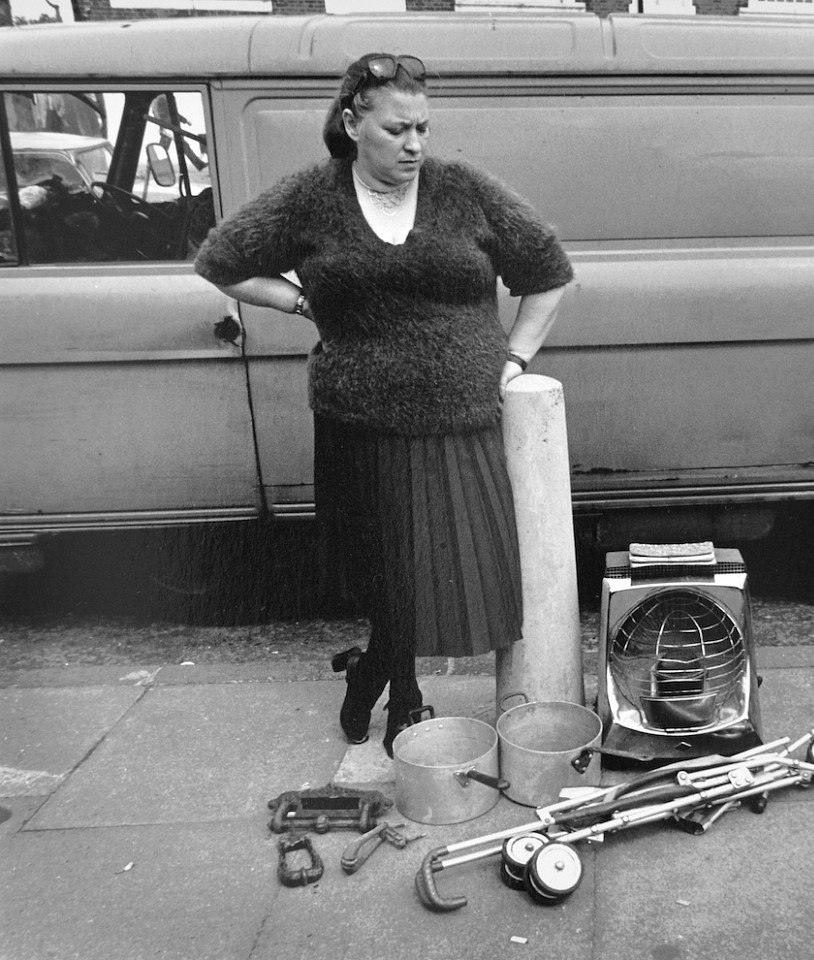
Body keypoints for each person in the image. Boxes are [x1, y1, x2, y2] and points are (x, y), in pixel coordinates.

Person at [193, 53, 574, 756]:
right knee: (387, 569)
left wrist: (514, 358)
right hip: (357, 419)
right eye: (398, 128)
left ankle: (381, 682)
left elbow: (548, 269)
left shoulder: (463, 191)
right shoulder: (312, 197)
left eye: (424, 128)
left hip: (456, 420)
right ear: (352, 123)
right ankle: (398, 693)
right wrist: (300, 299)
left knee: (437, 566)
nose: (416, 144)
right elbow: (222, 260)